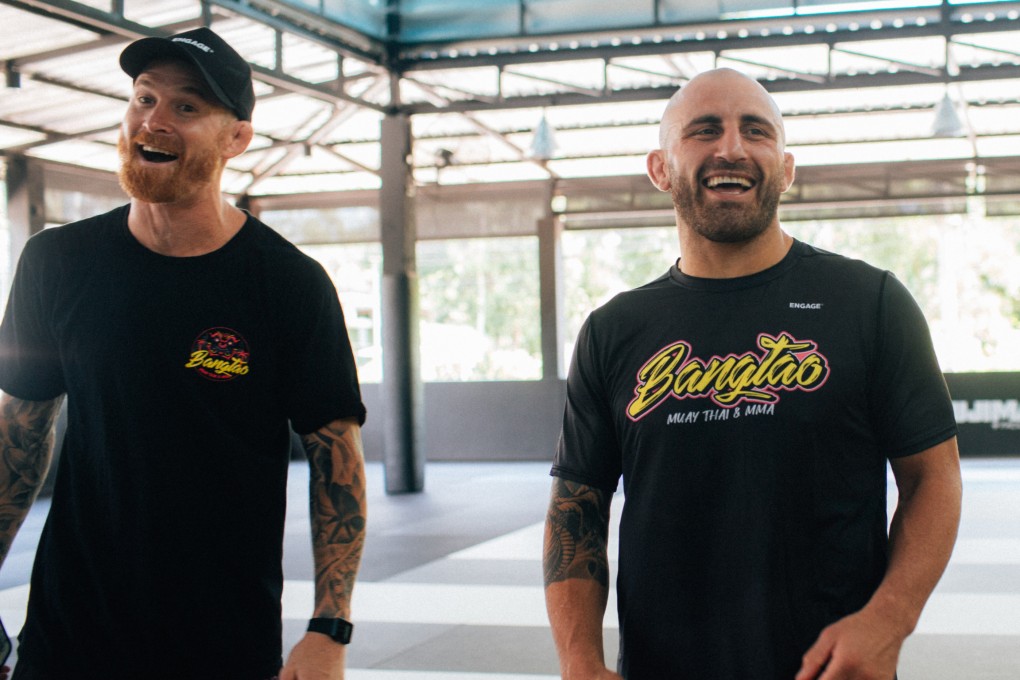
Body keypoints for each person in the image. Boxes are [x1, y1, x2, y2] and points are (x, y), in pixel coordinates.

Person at [543, 68, 963, 680]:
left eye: (756, 131)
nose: (732, 148)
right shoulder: (613, 330)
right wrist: (578, 660)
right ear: (660, 169)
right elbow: (576, 505)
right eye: (704, 130)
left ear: (785, 169)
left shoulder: (869, 303)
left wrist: (889, 620)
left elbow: (934, 478)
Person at [0, 27, 367, 680]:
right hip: (69, 634)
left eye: (187, 106)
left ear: (237, 138)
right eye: (144, 98)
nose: (154, 120)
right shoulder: (56, 262)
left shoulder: (288, 283)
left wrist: (329, 627)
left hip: (222, 639)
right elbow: (19, 437)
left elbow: (336, 462)